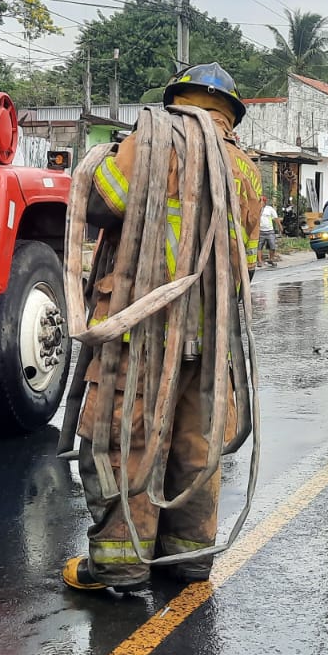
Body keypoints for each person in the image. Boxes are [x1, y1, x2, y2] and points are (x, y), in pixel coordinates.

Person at [64, 62, 265, 593]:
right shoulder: (245, 169)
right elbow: (249, 258)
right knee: (197, 450)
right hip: (211, 338)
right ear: (231, 114)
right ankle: (189, 561)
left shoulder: (151, 142)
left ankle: (119, 566)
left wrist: (111, 153)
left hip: (140, 335)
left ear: (177, 99)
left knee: (124, 445)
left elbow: (101, 202)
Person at [258, 198, 280, 268]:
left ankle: (271, 259)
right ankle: (260, 261)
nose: (260, 203)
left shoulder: (269, 209)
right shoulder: (257, 209)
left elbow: (276, 218)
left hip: (270, 231)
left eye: (261, 201)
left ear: (264, 202)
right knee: (259, 247)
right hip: (260, 231)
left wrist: (280, 226)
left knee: (272, 246)